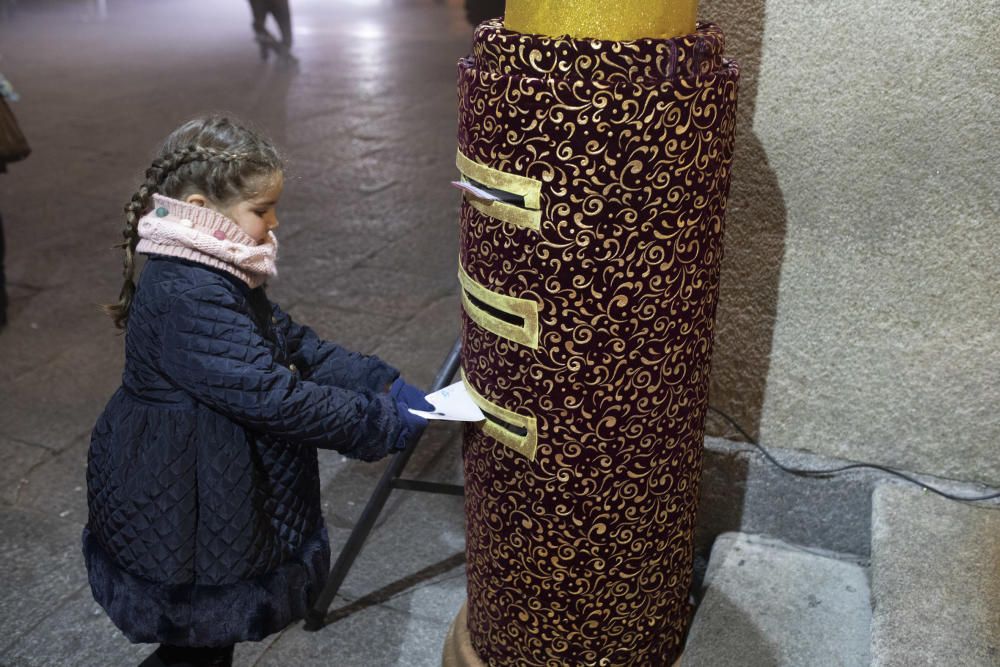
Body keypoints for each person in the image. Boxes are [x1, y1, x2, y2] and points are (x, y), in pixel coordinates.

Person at [83, 115, 431, 667]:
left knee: (203, 645)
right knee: (197, 639)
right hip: (187, 491)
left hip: (206, 474)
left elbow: (290, 341)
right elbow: (271, 396)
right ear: (200, 206)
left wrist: (378, 382)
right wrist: (379, 421)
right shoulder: (189, 289)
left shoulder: (211, 267)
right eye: (261, 210)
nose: (273, 224)